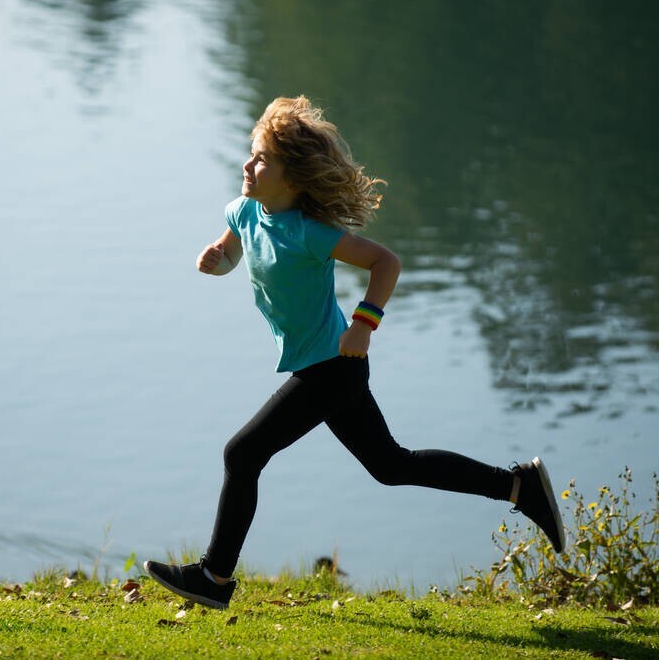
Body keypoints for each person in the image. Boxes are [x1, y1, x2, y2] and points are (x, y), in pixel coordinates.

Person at [144, 96, 564, 610]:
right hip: (321, 365)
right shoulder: (243, 209)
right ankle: (519, 487)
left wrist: (365, 324)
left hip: (332, 367)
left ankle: (213, 578)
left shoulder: (309, 233)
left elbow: (385, 263)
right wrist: (218, 259)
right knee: (390, 464)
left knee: (242, 454)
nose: (248, 165)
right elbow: (238, 246)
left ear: (293, 180)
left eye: (262, 160)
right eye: (251, 154)